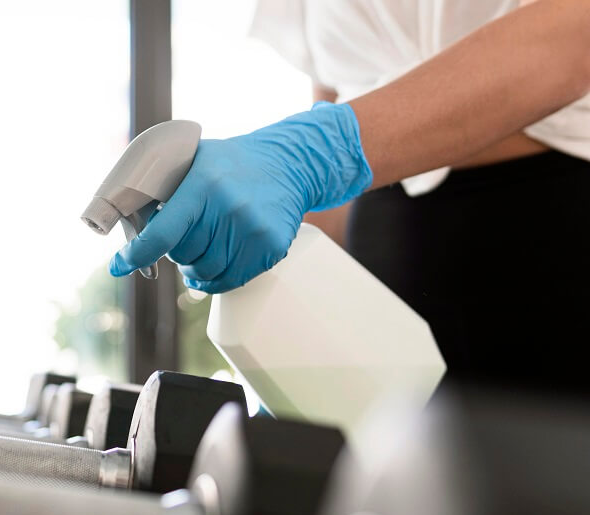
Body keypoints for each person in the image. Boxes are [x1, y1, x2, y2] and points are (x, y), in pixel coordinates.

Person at [107, 0, 590, 385]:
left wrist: (321, 149)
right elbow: (334, 96)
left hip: (553, 230)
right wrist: (283, 295)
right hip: (381, 255)